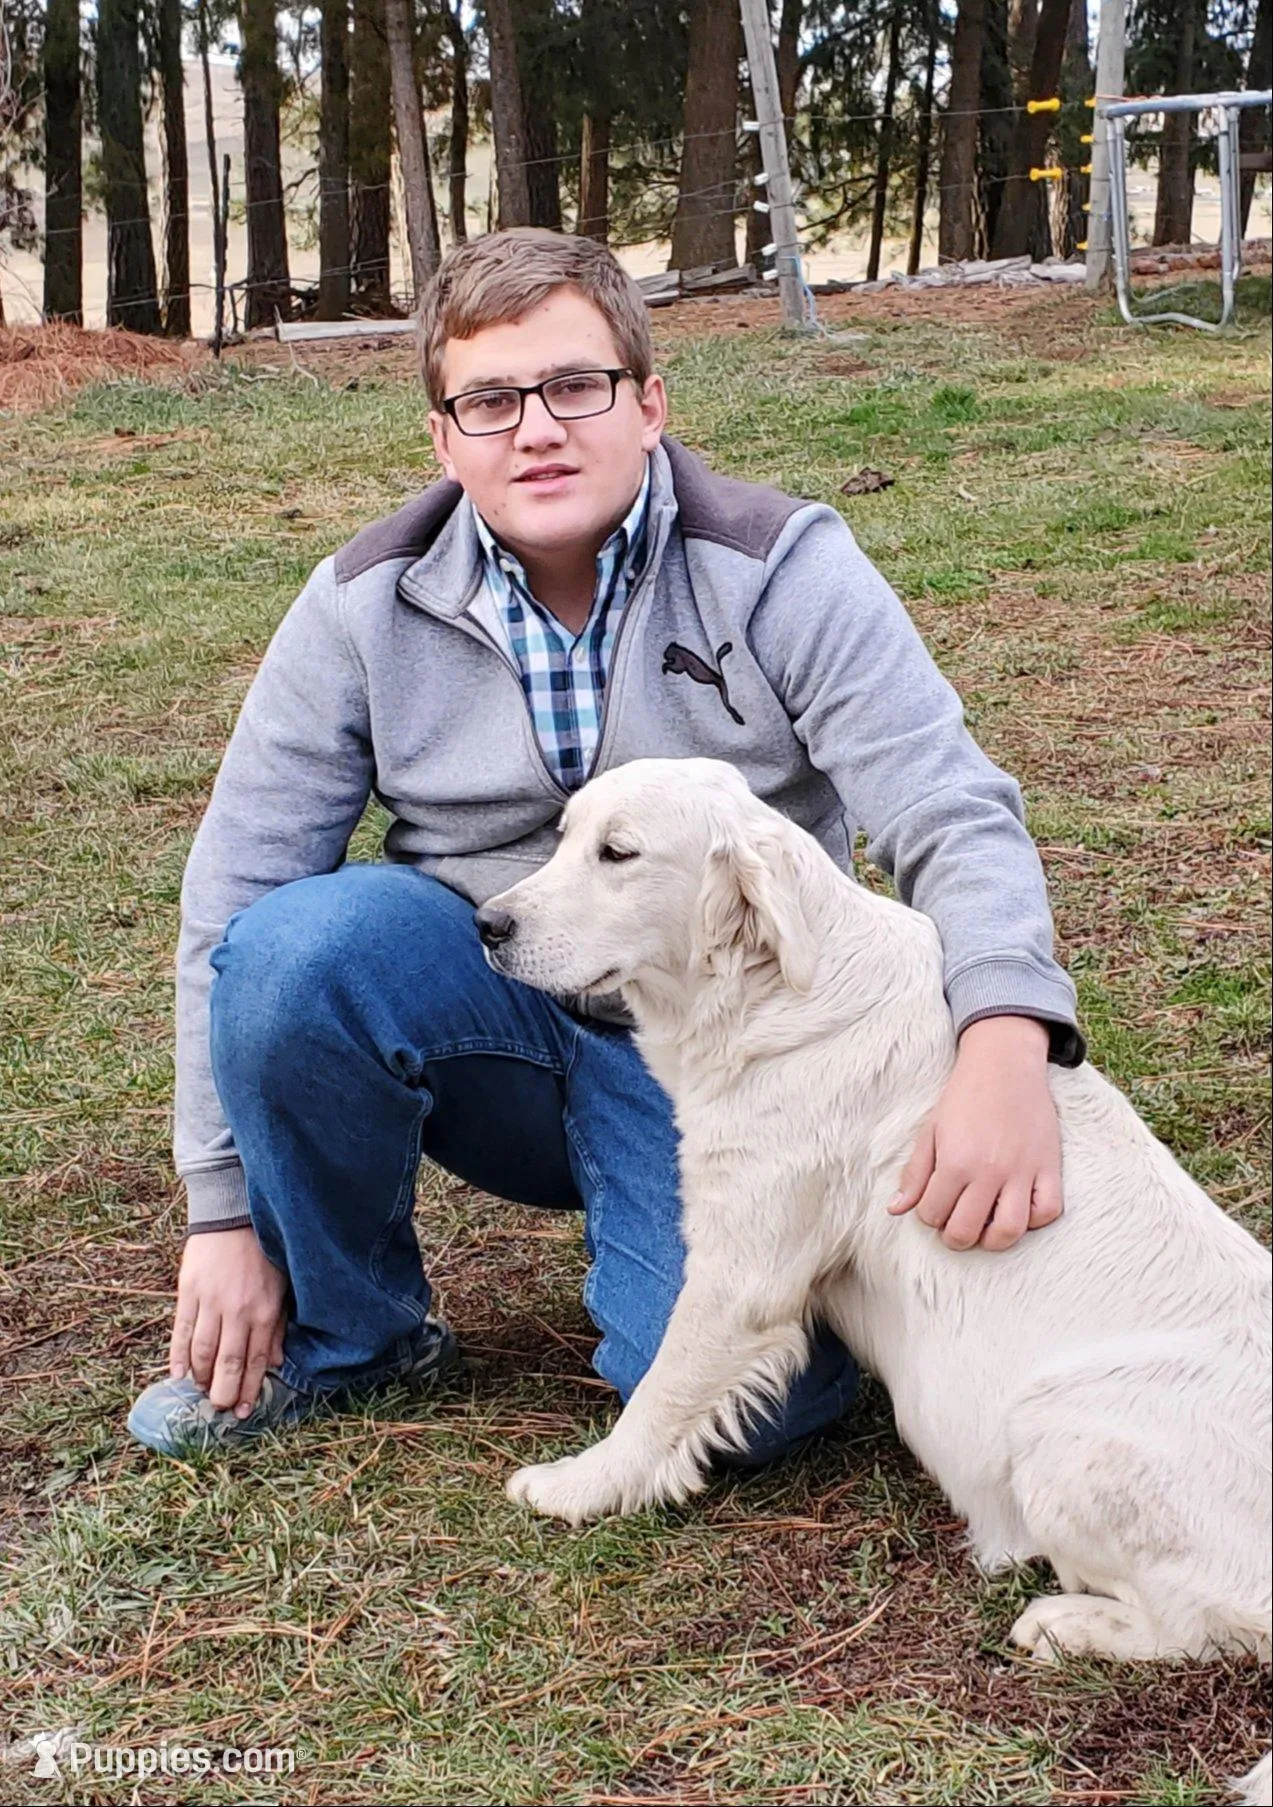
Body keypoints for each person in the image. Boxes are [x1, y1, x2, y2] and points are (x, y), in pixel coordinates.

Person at [128, 228, 1084, 1460]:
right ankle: (350, 1335)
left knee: (750, 1421)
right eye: (488, 400)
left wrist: (1005, 1039)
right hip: (494, 1016)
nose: (535, 429)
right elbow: (234, 890)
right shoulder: (363, 601)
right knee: (291, 950)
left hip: (741, 1049)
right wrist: (222, 1215)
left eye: (574, 386)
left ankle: (749, 1239)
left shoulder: (780, 565)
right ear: (441, 438)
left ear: (648, 403)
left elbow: (949, 810)